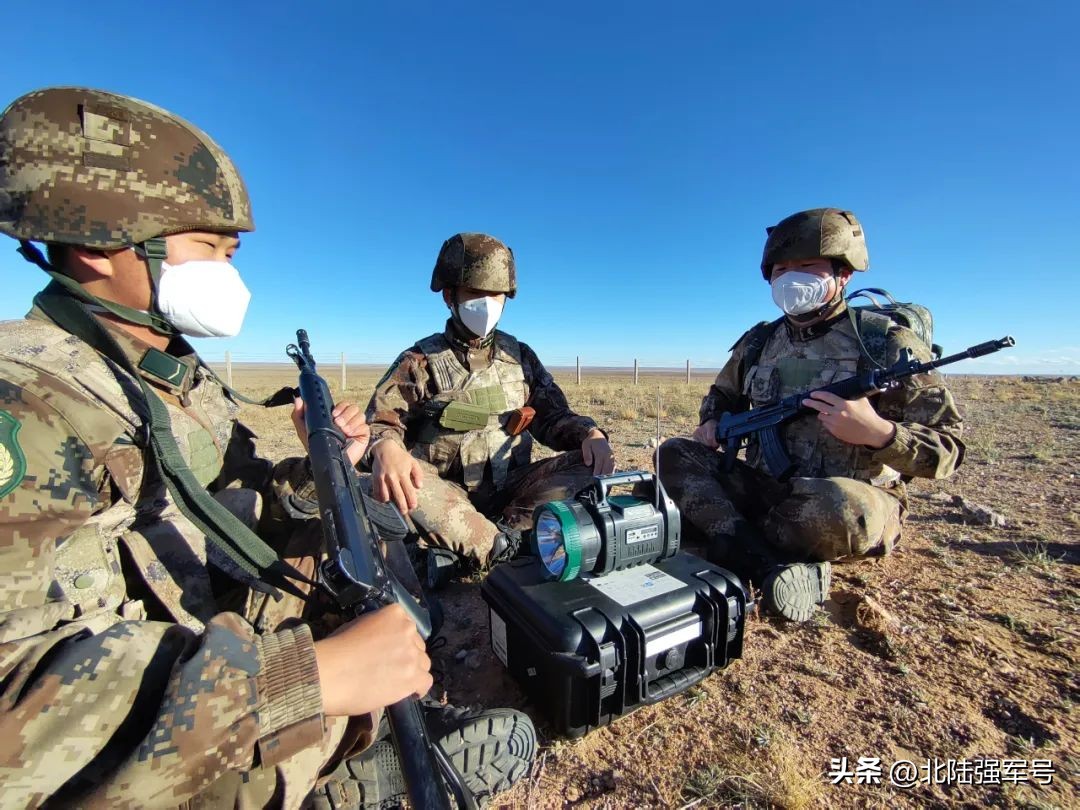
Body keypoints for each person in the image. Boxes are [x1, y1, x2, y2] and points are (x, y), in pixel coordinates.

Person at [0, 87, 533, 808]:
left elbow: (245, 493)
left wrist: (321, 473)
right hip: (182, 714)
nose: (230, 274)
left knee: (366, 537)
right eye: (209, 249)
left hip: (225, 626)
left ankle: (351, 736)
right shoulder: (25, 395)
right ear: (100, 242)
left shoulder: (173, 374)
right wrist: (309, 677)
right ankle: (327, 768)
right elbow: (19, 711)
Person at [657, 208, 964, 622]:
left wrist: (880, 433)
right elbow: (721, 396)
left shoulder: (884, 342)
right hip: (767, 487)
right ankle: (760, 555)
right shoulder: (759, 342)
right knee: (673, 454)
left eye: (806, 266)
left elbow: (948, 449)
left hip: (846, 497)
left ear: (843, 274)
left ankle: (729, 533)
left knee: (833, 506)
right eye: (781, 269)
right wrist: (712, 421)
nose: (790, 279)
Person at [365, 232, 614, 584]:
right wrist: (386, 446)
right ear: (450, 296)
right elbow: (380, 420)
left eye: (495, 295)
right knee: (397, 482)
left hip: (512, 493)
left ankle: (491, 544)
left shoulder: (520, 356)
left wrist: (590, 433)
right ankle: (510, 544)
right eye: (475, 295)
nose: (486, 304)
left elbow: (554, 416)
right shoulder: (420, 361)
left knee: (589, 462)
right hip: (447, 496)